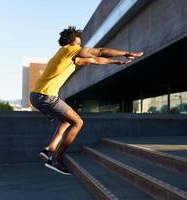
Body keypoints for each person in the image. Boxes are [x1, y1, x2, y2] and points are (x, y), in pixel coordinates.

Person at [29, 26, 143, 175]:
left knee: (66, 121)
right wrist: (126, 53)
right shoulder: (69, 49)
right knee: (78, 122)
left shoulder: (67, 57)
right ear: (72, 42)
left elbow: (94, 59)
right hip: (46, 96)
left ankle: (50, 148)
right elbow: (99, 51)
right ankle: (55, 159)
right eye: (79, 44)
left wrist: (115, 62)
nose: (81, 47)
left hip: (37, 96)